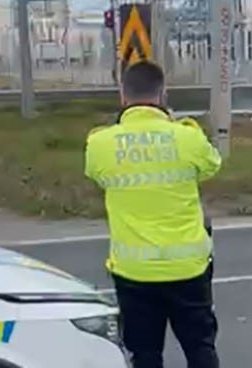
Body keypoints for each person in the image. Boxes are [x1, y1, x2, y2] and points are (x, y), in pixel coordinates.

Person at [85, 60, 222, 368]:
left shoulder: (100, 144)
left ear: (122, 94)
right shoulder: (187, 137)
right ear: (163, 94)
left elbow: (94, 173)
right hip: (188, 269)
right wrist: (184, 127)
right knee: (200, 349)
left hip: (134, 272)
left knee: (145, 355)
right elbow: (212, 165)